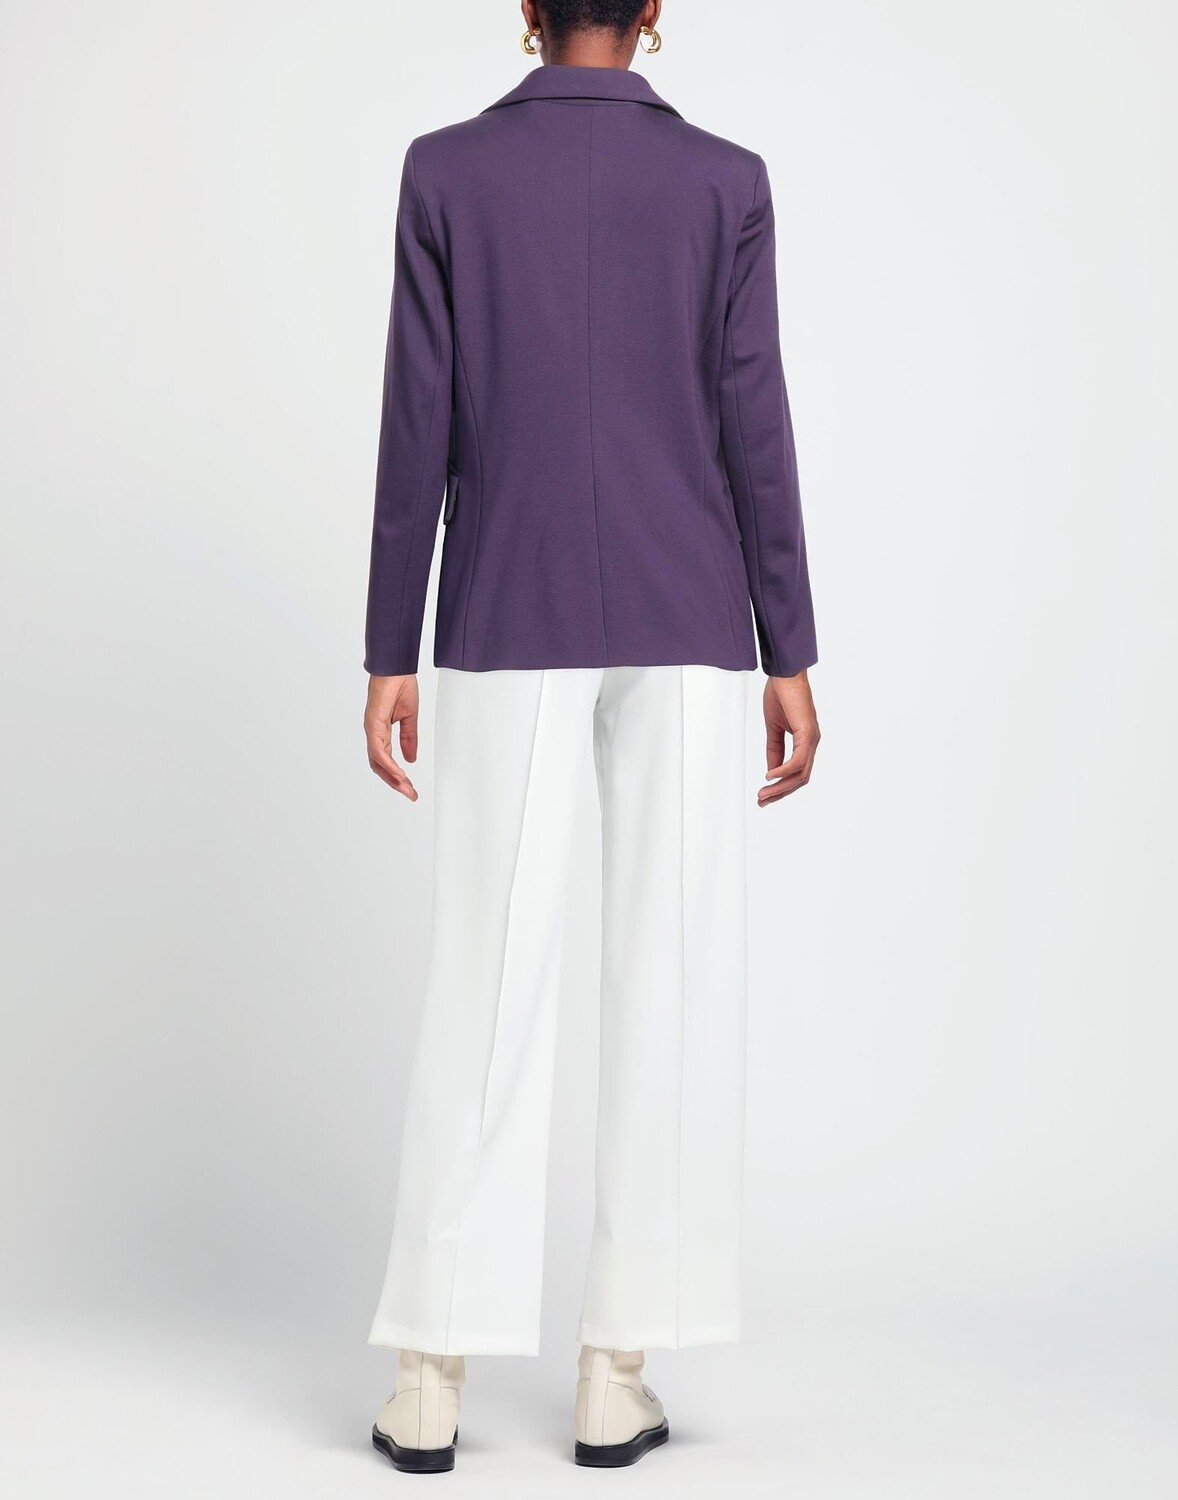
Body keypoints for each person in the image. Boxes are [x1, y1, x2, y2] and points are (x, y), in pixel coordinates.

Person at [361, 0, 820, 1473]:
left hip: (508, 594)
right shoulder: (723, 182)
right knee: (669, 974)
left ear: (526, 12)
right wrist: (789, 646)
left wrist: (388, 645)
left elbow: (416, 420)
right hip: (692, 608)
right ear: (654, 14)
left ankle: (429, 1375)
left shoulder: (446, 171)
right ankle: (614, 1372)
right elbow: (753, 420)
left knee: (485, 974)